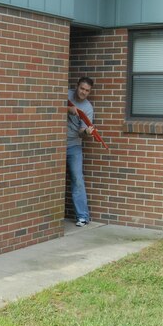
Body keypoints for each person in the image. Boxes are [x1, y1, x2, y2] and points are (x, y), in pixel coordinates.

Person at [67, 76, 95, 227]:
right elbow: (49, 105)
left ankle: (82, 217)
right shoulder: (65, 94)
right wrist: (68, 109)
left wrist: (86, 133)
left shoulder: (88, 108)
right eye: (82, 88)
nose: (83, 92)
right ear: (76, 86)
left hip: (73, 146)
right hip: (55, 144)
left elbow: (81, 132)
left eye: (87, 91)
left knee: (77, 179)